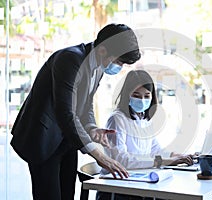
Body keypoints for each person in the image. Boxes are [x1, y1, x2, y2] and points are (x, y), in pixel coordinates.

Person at [10, 23, 141, 200]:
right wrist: (98, 154)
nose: (119, 67)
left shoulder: (99, 66)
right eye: (119, 61)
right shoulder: (70, 59)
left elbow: (86, 104)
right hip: (44, 139)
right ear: (102, 50)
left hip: (67, 140)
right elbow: (65, 111)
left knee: (67, 195)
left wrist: (92, 127)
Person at [96, 70, 193, 200]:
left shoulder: (145, 120)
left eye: (147, 96)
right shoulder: (117, 119)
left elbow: (154, 149)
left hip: (138, 185)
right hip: (117, 190)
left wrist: (177, 156)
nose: (142, 100)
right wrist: (164, 161)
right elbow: (122, 160)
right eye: (136, 95)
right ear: (127, 95)